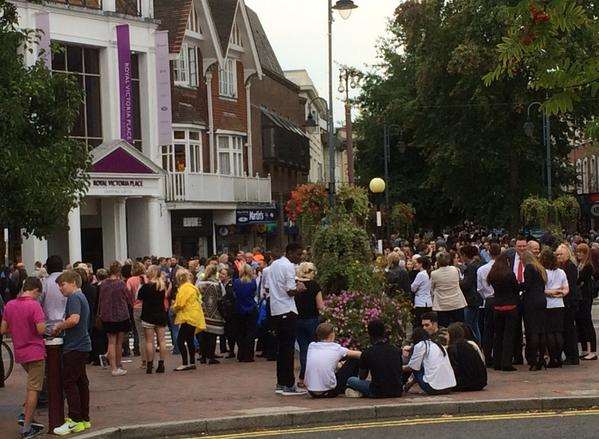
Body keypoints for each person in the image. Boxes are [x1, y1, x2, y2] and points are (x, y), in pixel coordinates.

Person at [1, 277, 46, 438]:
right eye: (38, 294)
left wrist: (19, 329)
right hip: (35, 351)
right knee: (34, 388)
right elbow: (41, 330)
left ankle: (27, 415)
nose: (38, 297)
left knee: (32, 384)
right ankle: (26, 427)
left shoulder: (10, 305)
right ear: (35, 290)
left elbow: (3, 329)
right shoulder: (35, 305)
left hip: (20, 352)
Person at [52, 270, 92, 435]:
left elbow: (74, 319)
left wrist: (59, 326)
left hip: (74, 346)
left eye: (62, 285)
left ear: (73, 283)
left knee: (69, 382)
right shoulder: (82, 297)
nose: (61, 289)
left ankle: (74, 419)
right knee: (81, 382)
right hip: (82, 344)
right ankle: (84, 418)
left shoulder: (74, 298)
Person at [269, 243, 307, 395]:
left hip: (276, 310)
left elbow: (268, 287)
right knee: (288, 349)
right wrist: (300, 288)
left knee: (281, 349)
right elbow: (291, 291)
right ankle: (289, 384)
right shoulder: (289, 266)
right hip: (288, 310)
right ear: (290, 252)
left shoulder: (273, 265)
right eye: (298, 254)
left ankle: (280, 382)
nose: (299, 257)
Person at [346, 320, 403, 398]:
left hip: (377, 391)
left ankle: (360, 392)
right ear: (384, 332)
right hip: (397, 391)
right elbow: (399, 371)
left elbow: (362, 377)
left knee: (351, 380)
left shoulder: (367, 352)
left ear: (369, 334)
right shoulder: (396, 350)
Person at [304, 323, 361, 398]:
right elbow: (359, 354)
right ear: (331, 335)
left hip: (311, 391)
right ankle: (351, 387)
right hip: (329, 391)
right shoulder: (336, 348)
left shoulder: (312, 346)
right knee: (354, 359)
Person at [487, 253, 520, 372]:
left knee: (498, 335)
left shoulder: (493, 274)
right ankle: (506, 362)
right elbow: (516, 288)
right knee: (509, 336)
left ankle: (497, 361)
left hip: (497, 306)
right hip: (510, 306)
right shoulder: (509, 274)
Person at [98, 262, 132, 377]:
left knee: (111, 342)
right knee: (119, 342)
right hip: (121, 315)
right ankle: (118, 365)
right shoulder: (121, 284)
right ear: (118, 272)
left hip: (107, 315)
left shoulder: (103, 284)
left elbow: (101, 299)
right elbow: (128, 298)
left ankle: (113, 367)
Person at [294, 262, 324, 388]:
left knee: (303, 349)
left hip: (298, 320)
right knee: (313, 349)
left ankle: (302, 378)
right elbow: (320, 305)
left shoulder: (295, 285)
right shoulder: (314, 285)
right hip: (312, 319)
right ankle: (312, 378)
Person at [402, 327, 456, 395]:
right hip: (449, 387)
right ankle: (408, 386)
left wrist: (399, 368)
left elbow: (412, 367)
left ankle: (404, 387)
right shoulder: (438, 345)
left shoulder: (420, 345)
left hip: (433, 388)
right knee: (419, 365)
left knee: (416, 366)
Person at [540, 249, 569, 368]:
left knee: (549, 332)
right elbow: (566, 289)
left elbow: (542, 290)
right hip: (559, 304)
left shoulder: (542, 272)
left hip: (547, 304)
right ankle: (558, 357)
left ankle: (552, 358)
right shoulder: (561, 272)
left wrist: (551, 292)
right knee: (558, 331)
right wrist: (559, 292)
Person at [172, 269, 206, 371]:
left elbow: (180, 304)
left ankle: (185, 363)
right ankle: (192, 362)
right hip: (195, 316)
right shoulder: (192, 287)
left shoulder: (184, 288)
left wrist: (173, 308)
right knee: (190, 340)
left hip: (187, 317)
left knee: (180, 340)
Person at [137, 265, 169, 374]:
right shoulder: (162, 285)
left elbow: (139, 297)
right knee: (162, 340)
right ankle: (161, 364)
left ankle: (149, 365)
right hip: (160, 314)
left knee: (149, 341)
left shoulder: (146, 287)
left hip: (148, 314)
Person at [520, 251, 548, 371]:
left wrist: (517, 285)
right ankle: (542, 358)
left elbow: (527, 285)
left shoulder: (529, 268)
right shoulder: (540, 268)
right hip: (541, 299)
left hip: (531, 301)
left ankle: (533, 360)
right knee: (541, 330)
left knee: (533, 331)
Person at [476, 243, 501, 366]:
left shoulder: (481, 270)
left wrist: (486, 296)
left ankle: (488, 356)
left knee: (488, 329)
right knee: (499, 329)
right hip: (500, 299)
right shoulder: (504, 267)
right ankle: (498, 355)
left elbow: (479, 288)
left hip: (488, 300)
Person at [555, 243, 580, 365]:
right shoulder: (561, 266)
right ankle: (570, 355)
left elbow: (570, 285)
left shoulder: (570, 266)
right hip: (564, 301)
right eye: (557, 254)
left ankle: (573, 356)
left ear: (567, 254)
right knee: (566, 329)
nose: (559, 256)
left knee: (569, 330)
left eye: (561, 254)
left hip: (569, 302)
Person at [196, 264, 224, 364]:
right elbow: (222, 296)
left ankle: (203, 357)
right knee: (212, 336)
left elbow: (196, 296)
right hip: (215, 312)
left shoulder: (200, 284)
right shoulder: (218, 284)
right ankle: (211, 357)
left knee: (203, 335)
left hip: (203, 312)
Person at [430, 251, 467, 327]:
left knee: (444, 328)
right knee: (459, 326)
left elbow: (432, 289)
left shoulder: (434, 274)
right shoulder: (455, 269)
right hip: (456, 302)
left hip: (442, 304)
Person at [446, 323, 487, 391]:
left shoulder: (453, 348)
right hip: (480, 382)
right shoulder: (470, 344)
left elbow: (455, 369)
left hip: (467, 383)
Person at [576, 244, 598, 361]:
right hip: (581, 296)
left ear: (586, 253)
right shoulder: (580, 265)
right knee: (581, 322)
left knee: (587, 322)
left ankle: (593, 351)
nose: (579, 254)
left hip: (585, 297)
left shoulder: (588, 266)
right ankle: (585, 349)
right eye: (578, 252)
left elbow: (580, 280)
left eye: (582, 252)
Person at [232, 264, 258, 362]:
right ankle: (249, 355)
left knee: (240, 332)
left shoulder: (236, 282)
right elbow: (254, 293)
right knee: (250, 332)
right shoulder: (253, 282)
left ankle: (241, 354)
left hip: (239, 309)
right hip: (251, 308)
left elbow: (234, 294)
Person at [459, 245, 483, 342]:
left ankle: (474, 342)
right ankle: (478, 343)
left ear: (465, 255)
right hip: (477, 299)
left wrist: (458, 282)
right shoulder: (478, 264)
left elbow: (466, 284)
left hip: (471, 299)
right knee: (475, 324)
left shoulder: (470, 268)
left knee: (470, 325)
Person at [127, 262, 146, 366]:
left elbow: (128, 292)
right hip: (147, 307)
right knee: (150, 336)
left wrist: (131, 301)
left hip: (136, 307)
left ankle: (144, 361)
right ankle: (150, 359)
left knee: (141, 335)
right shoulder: (145, 278)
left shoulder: (130, 280)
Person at [411, 257, 432, 326]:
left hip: (420, 303)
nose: (415, 265)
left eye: (417, 263)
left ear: (421, 264)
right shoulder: (430, 273)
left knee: (419, 324)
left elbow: (413, 288)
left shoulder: (420, 274)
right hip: (428, 302)